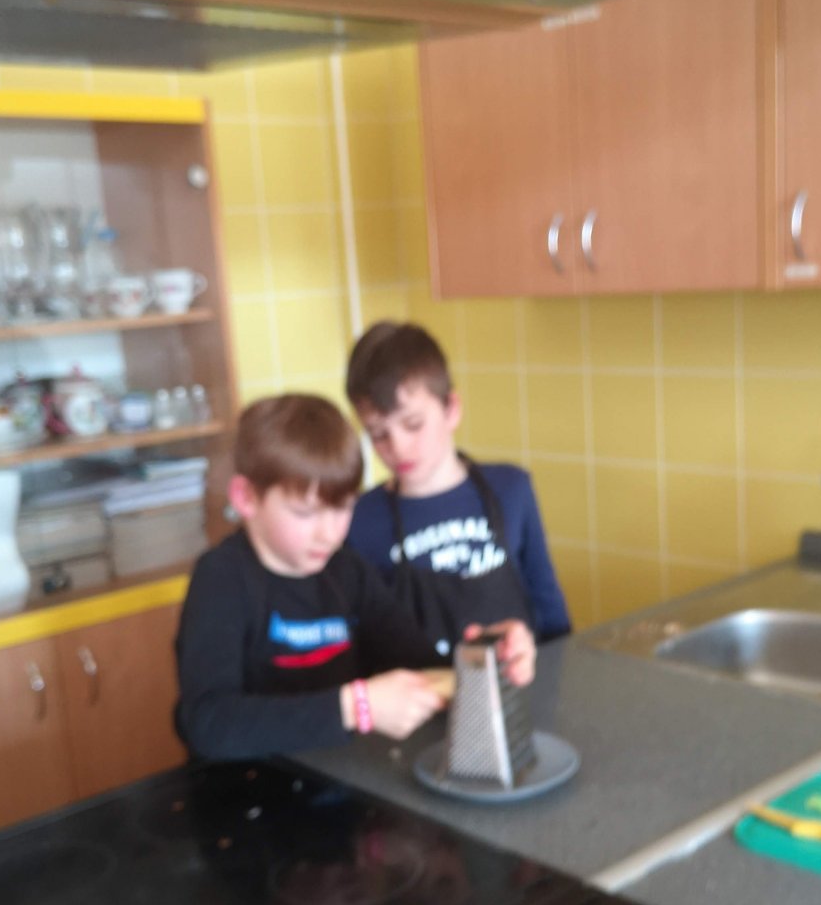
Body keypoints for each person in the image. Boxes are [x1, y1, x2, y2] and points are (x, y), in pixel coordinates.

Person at [175, 393, 533, 762]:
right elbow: (209, 722)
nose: (329, 534)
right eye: (305, 513)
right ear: (246, 498)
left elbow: (420, 663)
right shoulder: (221, 578)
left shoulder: (347, 571)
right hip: (246, 785)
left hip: (340, 773)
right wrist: (355, 706)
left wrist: (487, 657)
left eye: (343, 508)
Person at [345, 322, 570, 656]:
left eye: (413, 424)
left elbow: (554, 622)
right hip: (421, 689)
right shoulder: (360, 519)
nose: (398, 446)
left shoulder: (512, 489)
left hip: (519, 684)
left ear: (451, 409)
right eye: (378, 434)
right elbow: (360, 647)